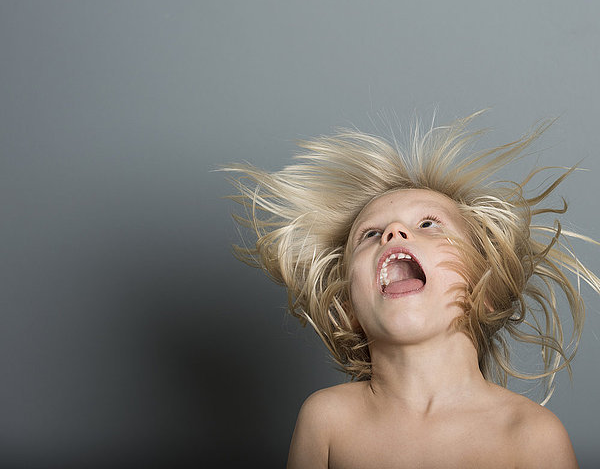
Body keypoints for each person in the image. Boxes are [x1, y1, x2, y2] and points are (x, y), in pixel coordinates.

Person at [223, 112, 600, 468]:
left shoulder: (531, 435)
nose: (394, 233)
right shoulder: (327, 421)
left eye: (428, 224)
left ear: (486, 289)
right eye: (369, 234)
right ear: (349, 307)